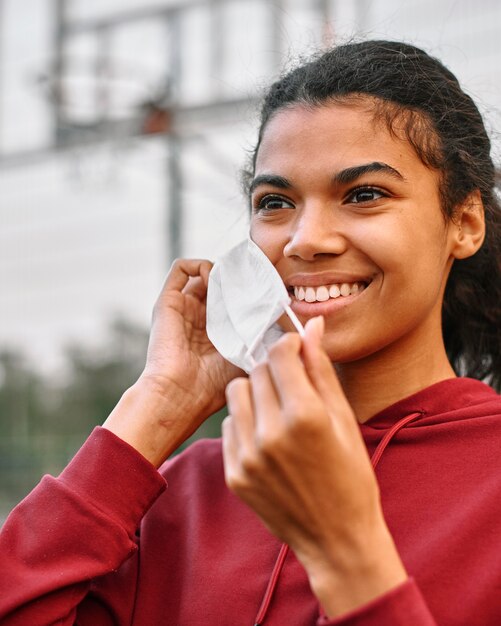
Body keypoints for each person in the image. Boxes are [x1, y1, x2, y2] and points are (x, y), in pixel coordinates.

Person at [1, 39, 500, 626]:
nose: (304, 239)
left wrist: (343, 549)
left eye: (364, 195)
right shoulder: (182, 489)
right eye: (275, 202)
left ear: (464, 224)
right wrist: (160, 402)